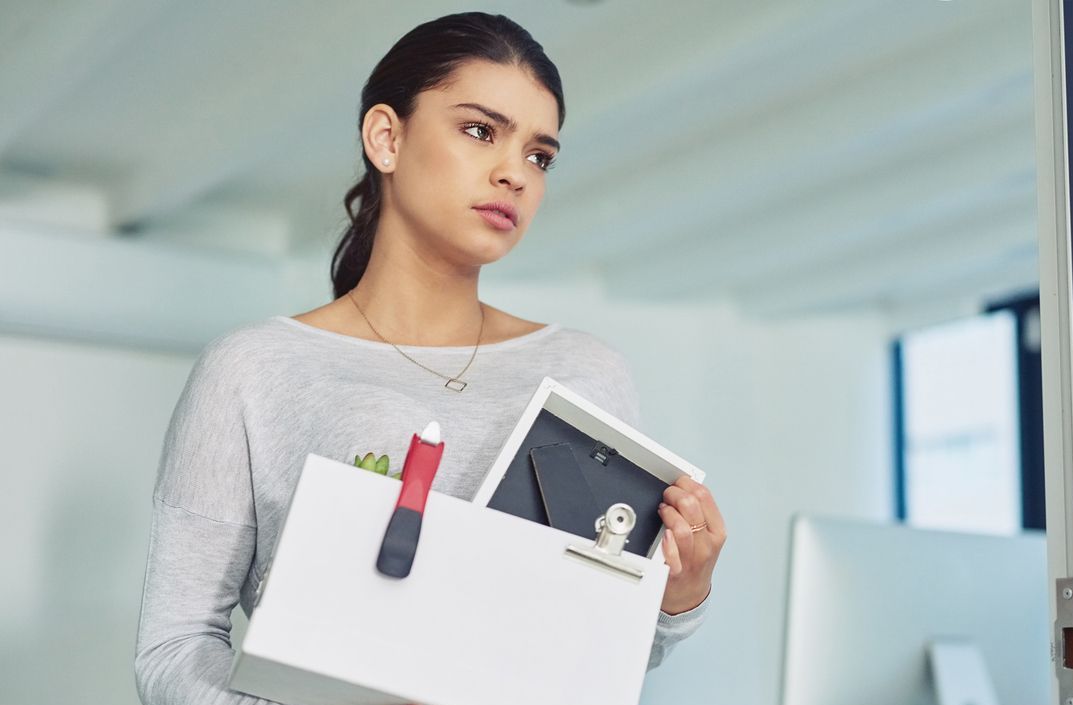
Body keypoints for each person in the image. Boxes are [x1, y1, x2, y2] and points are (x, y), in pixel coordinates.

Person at [133, 11, 726, 704]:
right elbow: (175, 648)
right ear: (386, 137)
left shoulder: (587, 373)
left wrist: (681, 595)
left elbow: (600, 653)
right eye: (480, 131)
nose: (515, 174)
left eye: (539, 156)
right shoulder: (250, 370)